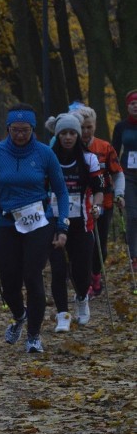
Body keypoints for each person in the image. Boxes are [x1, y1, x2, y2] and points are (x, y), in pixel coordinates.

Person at [0, 103, 69, 354]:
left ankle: (33, 336)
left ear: (33, 129)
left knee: (32, 276)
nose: (20, 135)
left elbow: (61, 192)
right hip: (7, 221)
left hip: (39, 222)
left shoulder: (44, 154)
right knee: (8, 281)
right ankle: (20, 315)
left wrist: (62, 224)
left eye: (25, 130)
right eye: (15, 130)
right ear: (8, 128)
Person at [47, 113, 104, 332]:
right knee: (58, 269)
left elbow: (100, 189)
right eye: (64, 133)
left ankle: (82, 297)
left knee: (82, 271)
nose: (68, 137)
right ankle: (63, 314)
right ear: (58, 135)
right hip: (55, 222)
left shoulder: (89, 159)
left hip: (82, 223)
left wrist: (97, 206)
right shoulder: (49, 157)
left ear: (78, 135)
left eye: (72, 133)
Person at [74, 105, 125, 297]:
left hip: (104, 203)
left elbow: (118, 174)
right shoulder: (70, 147)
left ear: (94, 126)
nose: (85, 132)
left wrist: (119, 194)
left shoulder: (104, 147)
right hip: (78, 204)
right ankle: (84, 280)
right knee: (81, 245)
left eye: (89, 127)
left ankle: (96, 274)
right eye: (82, 128)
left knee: (99, 244)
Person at [112, 89, 137, 273]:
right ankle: (134, 256)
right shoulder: (121, 127)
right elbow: (113, 151)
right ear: (127, 106)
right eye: (132, 103)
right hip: (128, 175)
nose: (135, 105)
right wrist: (112, 175)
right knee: (133, 216)